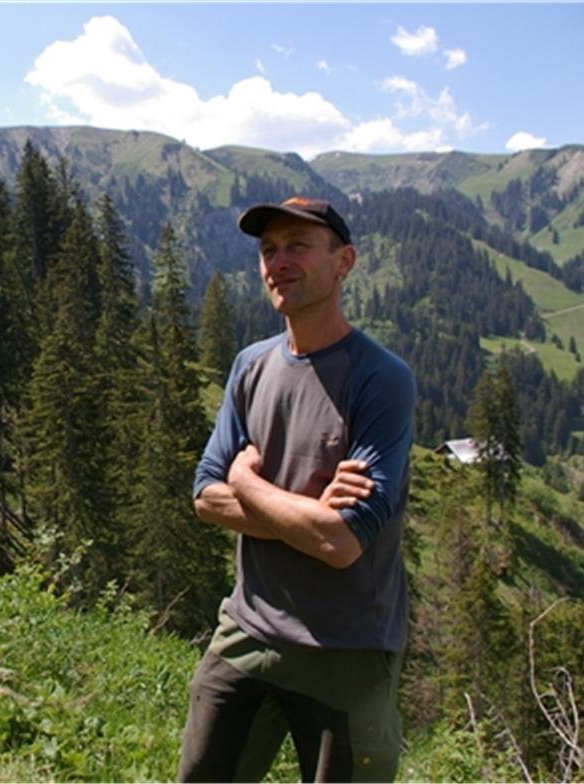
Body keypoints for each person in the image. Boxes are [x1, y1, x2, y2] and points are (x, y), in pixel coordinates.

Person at [178, 197, 416, 782]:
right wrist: (306, 513)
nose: (277, 261)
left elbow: (341, 543)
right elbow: (206, 496)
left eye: (298, 246)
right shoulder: (250, 367)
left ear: (344, 262)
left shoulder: (382, 379)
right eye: (267, 250)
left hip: (349, 650)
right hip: (248, 630)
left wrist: (246, 479)